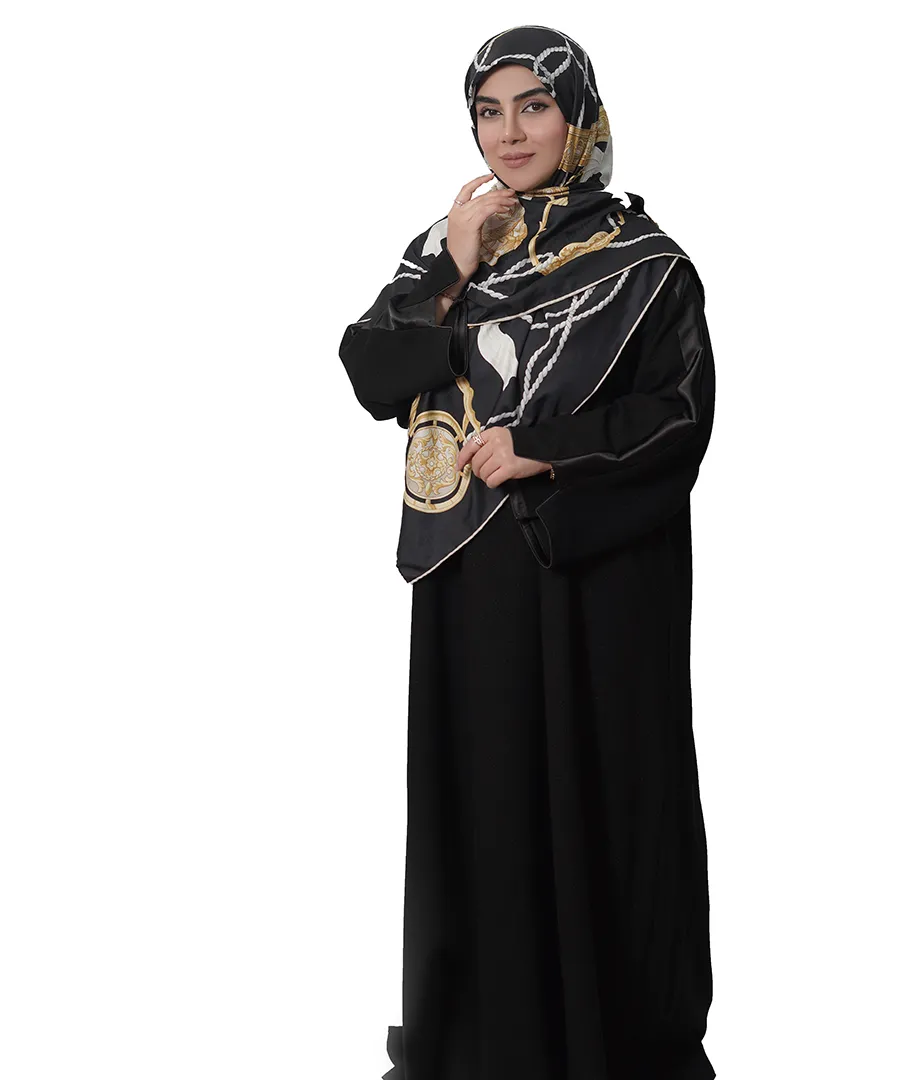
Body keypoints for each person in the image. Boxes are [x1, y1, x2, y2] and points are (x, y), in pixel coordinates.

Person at [338, 25, 718, 1080]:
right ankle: (485, 1048)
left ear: (578, 116)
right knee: (486, 800)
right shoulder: (449, 246)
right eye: (488, 111)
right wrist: (454, 267)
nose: (510, 133)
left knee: (601, 797)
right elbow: (371, 372)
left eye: (534, 106)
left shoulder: (646, 265)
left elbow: (681, 415)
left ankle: (607, 1050)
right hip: (472, 580)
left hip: (594, 575)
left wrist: (545, 448)